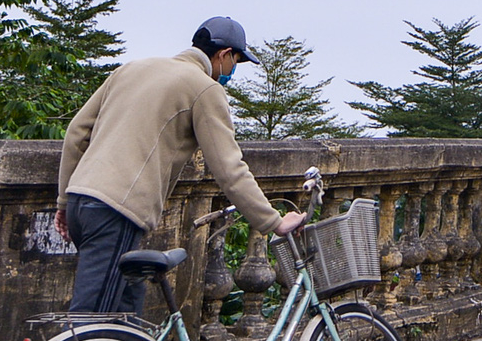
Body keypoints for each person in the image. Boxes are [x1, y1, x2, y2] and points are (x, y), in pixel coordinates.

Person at [54, 16, 307, 317]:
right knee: (90, 322)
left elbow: (76, 133)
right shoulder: (204, 89)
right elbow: (229, 169)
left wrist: (65, 202)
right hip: (117, 210)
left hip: (81, 201)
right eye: (236, 62)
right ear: (224, 55)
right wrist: (273, 223)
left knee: (127, 315)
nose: (232, 72)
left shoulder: (132, 69)